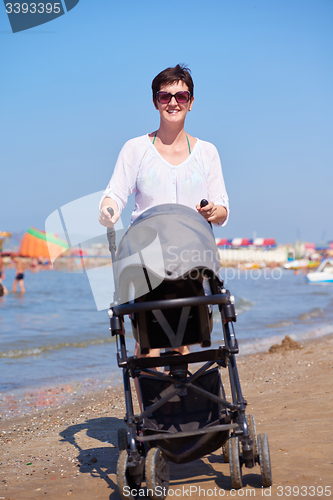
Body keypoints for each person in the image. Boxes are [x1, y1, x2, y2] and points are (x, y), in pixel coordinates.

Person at [98, 64, 229, 404]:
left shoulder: (207, 152)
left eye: (180, 95)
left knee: (184, 334)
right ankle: (155, 414)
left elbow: (224, 208)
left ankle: (180, 406)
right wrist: (108, 209)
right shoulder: (135, 149)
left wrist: (213, 211)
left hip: (191, 256)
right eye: (165, 96)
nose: (173, 102)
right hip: (146, 257)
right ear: (155, 101)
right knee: (149, 338)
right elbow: (115, 193)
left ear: (191, 101)